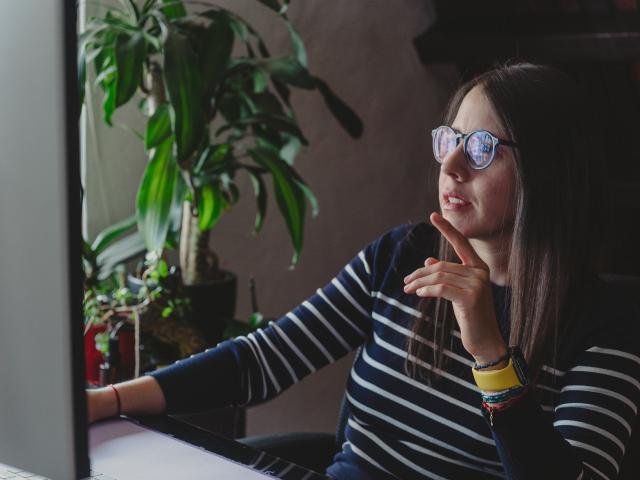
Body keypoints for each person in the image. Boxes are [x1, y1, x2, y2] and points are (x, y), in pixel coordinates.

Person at [87, 60, 640, 480]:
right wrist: (106, 402)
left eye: (480, 148)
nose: (448, 165)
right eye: (449, 140)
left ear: (547, 170)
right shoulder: (402, 255)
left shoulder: (605, 324)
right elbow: (264, 359)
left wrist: (491, 356)